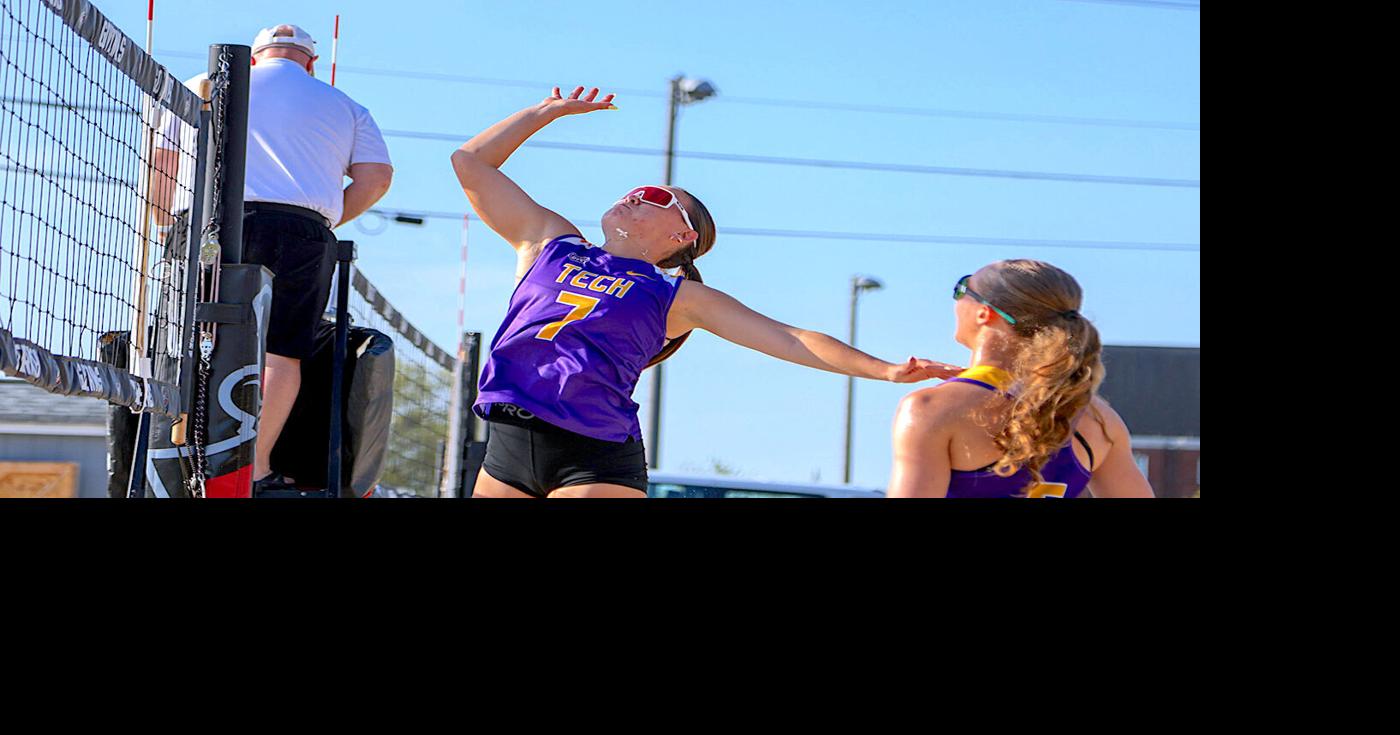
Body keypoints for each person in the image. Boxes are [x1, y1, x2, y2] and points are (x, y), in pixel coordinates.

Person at [451, 86, 961, 499]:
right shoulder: (549, 243)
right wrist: (544, 113)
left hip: (593, 455)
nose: (633, 196)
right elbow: (471, 162)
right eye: (631, 191)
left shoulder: (677, 297)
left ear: (682, 236)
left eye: (654, 197)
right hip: (510, 441)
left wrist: (887, 369)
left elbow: (792, 339)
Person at [153, 24, 395, 494]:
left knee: (183, 340)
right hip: (298, 229)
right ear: (310, 63)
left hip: (207, 219)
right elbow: (378, 177)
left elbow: (161, 164)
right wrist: (327, 222)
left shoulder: (202, 83)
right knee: (281, 352)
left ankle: (178, 458)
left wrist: (167, 228)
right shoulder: (343, 104)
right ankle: (255, 468)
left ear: (256, 58)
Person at [887, 260, 1154, 498]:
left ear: (984, 312)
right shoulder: (1098, 418)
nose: (956, 301)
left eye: (962, 289)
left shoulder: (930, 408)